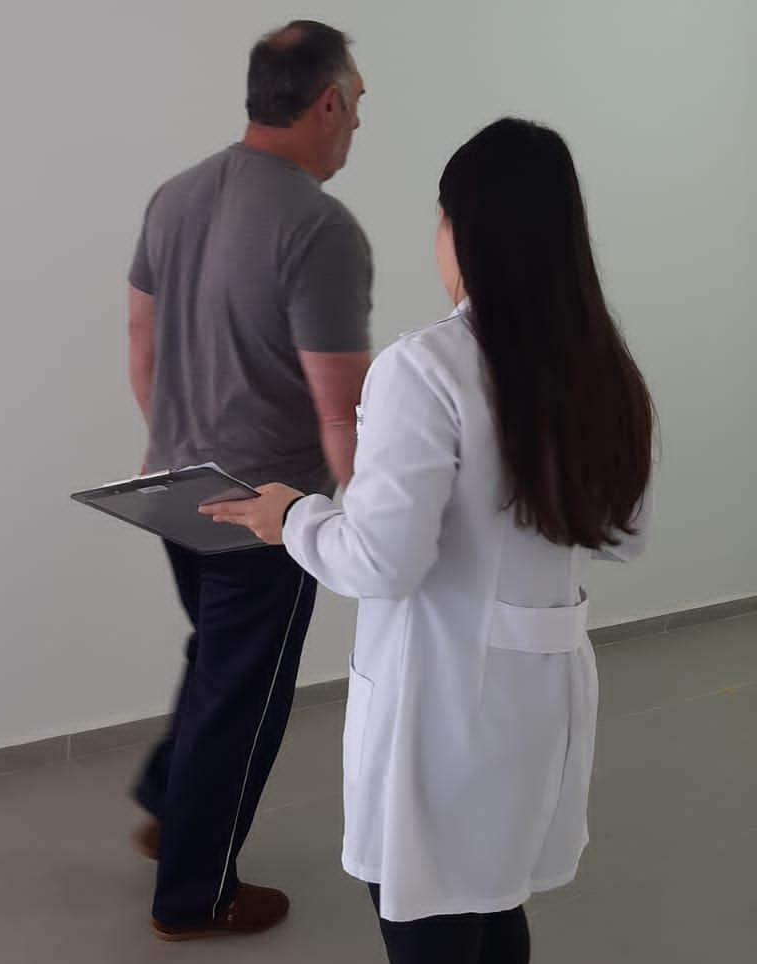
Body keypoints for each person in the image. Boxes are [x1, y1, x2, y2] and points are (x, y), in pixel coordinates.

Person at [205, 117, 655, 964]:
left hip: (441, 708)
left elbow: (381, 561)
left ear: (461, 228)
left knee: (431, 916)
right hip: (541, 696)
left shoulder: (426, 368)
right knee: (495, 899)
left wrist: (291, 517)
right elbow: (624, 534)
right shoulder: (599, 364)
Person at [126, 20, 373, 941]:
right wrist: (366, 526)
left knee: (216, 662)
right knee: (245, 700)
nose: (360, 124)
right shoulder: (320, 228)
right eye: (358, 102)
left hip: (173, 486)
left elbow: (141, 338)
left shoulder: (177, 194)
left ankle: (170, 804)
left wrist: (170, 440)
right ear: (327, 103)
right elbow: (341, 410)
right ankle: (196, 896)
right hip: (265, 512)